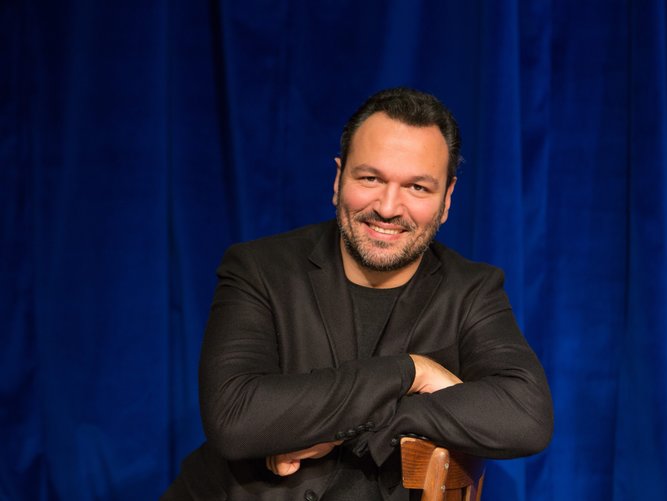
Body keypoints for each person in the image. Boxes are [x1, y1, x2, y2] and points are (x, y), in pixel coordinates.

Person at [163, 87, 553, 500]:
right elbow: (234, 419)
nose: (388, 207)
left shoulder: (471, 291)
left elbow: (527, 417)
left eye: (417, 188)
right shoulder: (258, 268)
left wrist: (349, 424)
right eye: (371, 178)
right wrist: (412, 372)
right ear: (338, 179)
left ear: (447, 198)